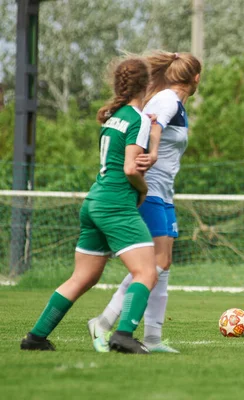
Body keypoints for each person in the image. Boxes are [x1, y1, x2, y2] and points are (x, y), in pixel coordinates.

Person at [20, 57, 157, 354]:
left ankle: (36, 337)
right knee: (147, 272)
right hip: (116, 204)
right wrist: (143, 192)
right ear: (147, 85)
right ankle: (123, 334)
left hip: (95, 200)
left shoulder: (114, 116)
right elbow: (132, 169)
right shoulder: (138, 119)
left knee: (83, 277)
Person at [87, 51, 202, 353]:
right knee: (153, 265)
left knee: (163, 263)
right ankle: (104, 321)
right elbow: (154, 126)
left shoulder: (175, 103)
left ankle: (152, 336)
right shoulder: (167, 100)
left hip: (164, 194)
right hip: (149, 191)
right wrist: (150, 154)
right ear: (197, 78)